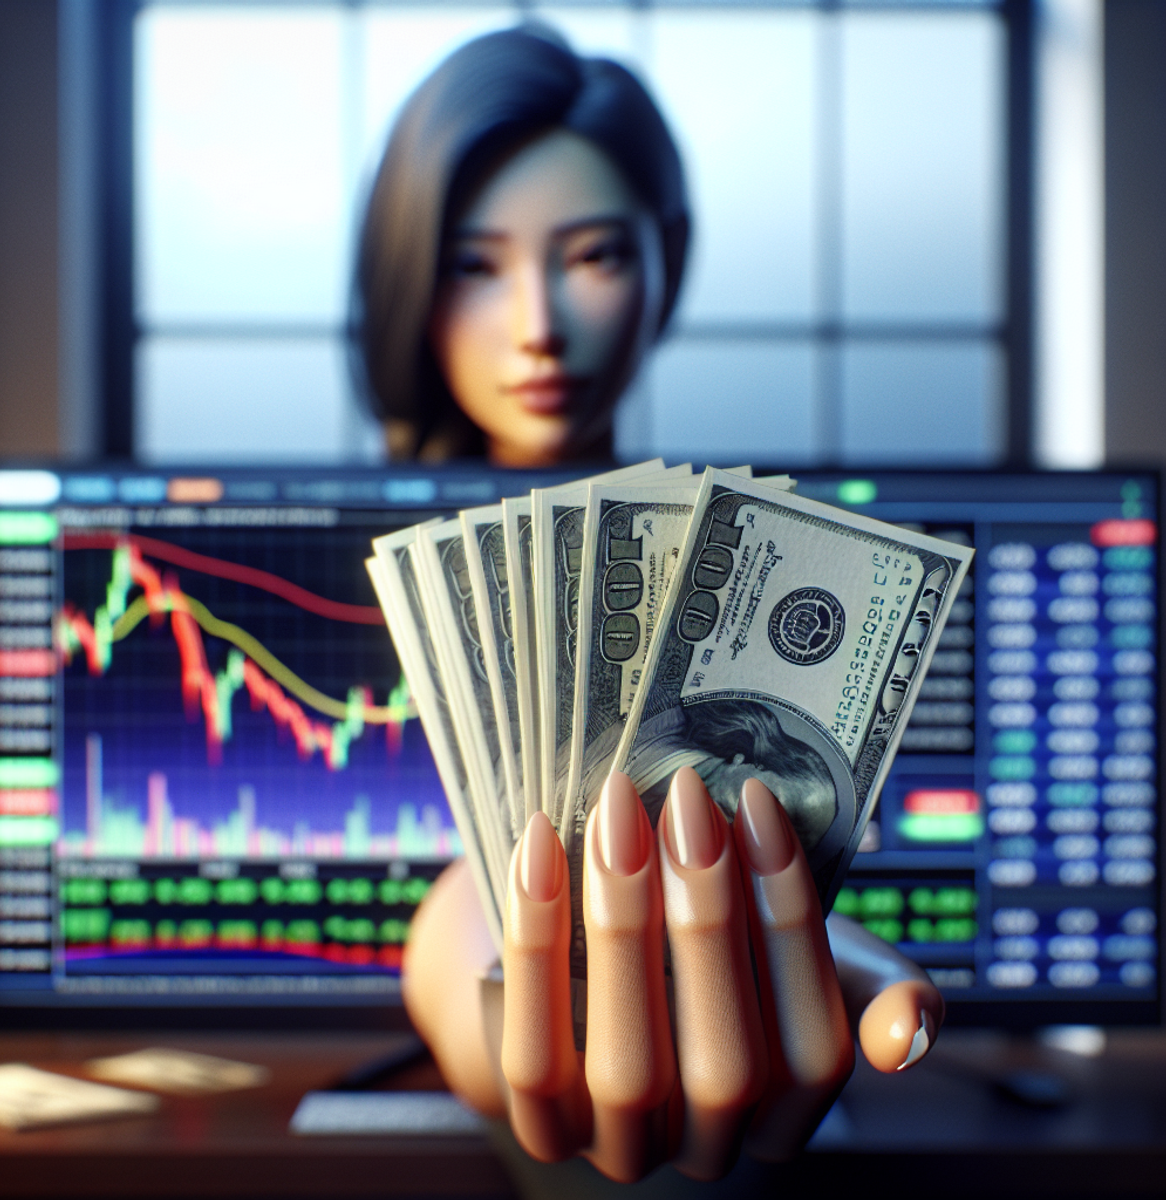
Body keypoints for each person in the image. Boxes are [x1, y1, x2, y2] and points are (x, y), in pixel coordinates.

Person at [350, 24, 944, 1183]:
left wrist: (813, 942)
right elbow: (456, 939)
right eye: (475, 263)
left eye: (591, 255)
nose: (536, 323)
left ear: (666, 262)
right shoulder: (348, 583)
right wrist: (477, 976)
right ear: (411, 280)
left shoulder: (754, 557)